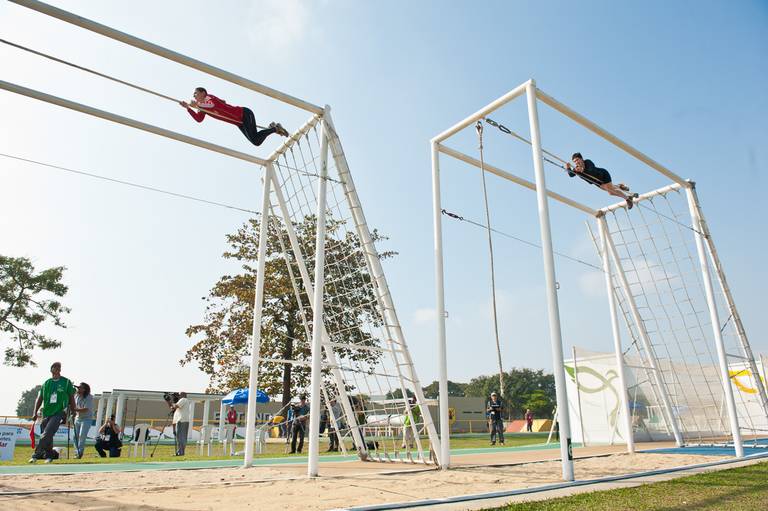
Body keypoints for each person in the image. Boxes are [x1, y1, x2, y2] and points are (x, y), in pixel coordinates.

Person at [180, 87, 289, 146]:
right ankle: (273, 128)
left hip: (244, 114)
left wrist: (196, 105)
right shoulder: (203, 108)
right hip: (239, 122)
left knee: (255, 138)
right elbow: (199, 119)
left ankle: (275, 128)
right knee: (256, 142)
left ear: (203, 93)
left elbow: (214, 105)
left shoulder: (210, 98)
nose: (194, 96)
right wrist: (188, 108)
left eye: (196, 93)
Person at [29, 362, 76, 463]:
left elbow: (72, 398)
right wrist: (35, 412)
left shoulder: (66, 382)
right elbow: (40, 398)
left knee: (47, 434)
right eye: (55, 367)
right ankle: (50, 455)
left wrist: (73, 411)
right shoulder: (46, 383)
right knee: (47, 436)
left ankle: (35, 455)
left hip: (59, 412)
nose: (57, 369)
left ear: (60, 370)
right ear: (51, 370)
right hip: (46, 413)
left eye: (59, 367)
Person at [565, 153, 638, 210]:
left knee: (611, 192)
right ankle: (620, 186)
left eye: (577, 160)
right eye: (574, 161)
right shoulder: (576, 169)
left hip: (603, 175)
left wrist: (583, 170)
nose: (576, 162)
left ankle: (628, 199)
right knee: (611, 189)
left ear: (581, 159)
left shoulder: (588, 162)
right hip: (597, 182)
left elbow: (592, 170)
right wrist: (568, 168)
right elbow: (571, 175)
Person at [73, 382, 93, 459]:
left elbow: (86, 409)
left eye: (80, 387)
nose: (78, 388)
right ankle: (76, 452)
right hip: (77, 418)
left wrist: (75, 409)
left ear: (84, 389)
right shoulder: (76, 396)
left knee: (82, 436)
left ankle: (79, 453)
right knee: (75, 436)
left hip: (86, 419)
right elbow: (73, 405)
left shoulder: (89, 397)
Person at [168, 392, 192, 456]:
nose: (178, 396)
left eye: (179, 395)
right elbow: (173, 408)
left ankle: (181, 452)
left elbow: (175, 406)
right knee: (181, 437)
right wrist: (170, 402)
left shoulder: (183, 399)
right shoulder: (185, 401)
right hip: (184, 420)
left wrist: (170, 401)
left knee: (181, 437)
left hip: (182, 420)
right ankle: (180, 452)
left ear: (182, 395)